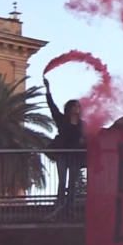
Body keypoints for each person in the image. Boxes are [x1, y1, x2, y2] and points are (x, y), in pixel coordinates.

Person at [44, 78, 86, 210]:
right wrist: (48, 91)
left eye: (78, 106)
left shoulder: (83, 124)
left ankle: (70, 206)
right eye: (74, 106)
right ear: (69, 108)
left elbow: (90, 136)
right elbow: (52, 107)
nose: (77, 108)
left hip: (75, 156)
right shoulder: (62, 120)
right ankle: (60, 204)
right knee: (62, 180)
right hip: (62, 153)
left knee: (72, 181)